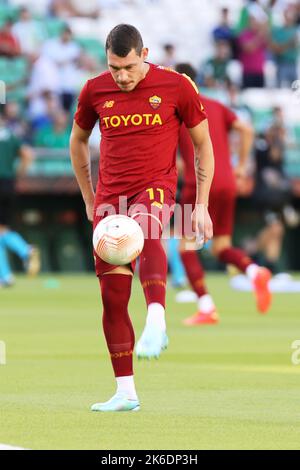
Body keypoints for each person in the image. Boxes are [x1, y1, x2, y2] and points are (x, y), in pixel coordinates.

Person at [70, 24, 214, 412]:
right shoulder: (94, 89)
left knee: (148, 223)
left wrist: (199, 205)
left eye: (129, 66)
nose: (122, 76)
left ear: (145, 53)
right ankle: (125, 392)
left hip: (154, 186)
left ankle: (157, 317)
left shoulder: (177, 86)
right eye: (115, 67)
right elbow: (78, 140)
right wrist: (88, 197)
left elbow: (203, 145)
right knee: (113, 298)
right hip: (107, 201)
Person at [174, 63, 272, 326]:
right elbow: (247, 129)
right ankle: (254, 271)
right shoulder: (215, 105)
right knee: (221, 247)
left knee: (185, 248)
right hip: (227, 182)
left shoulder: (178, 110)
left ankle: (206, 307)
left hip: (199, 184)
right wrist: (240, 167)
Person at [0, 115, 40, 287]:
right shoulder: (10, 134)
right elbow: (28, 154)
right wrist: (17, 174)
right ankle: (5, 276)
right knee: (1, 229)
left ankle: (25, 250)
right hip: (8, 184)